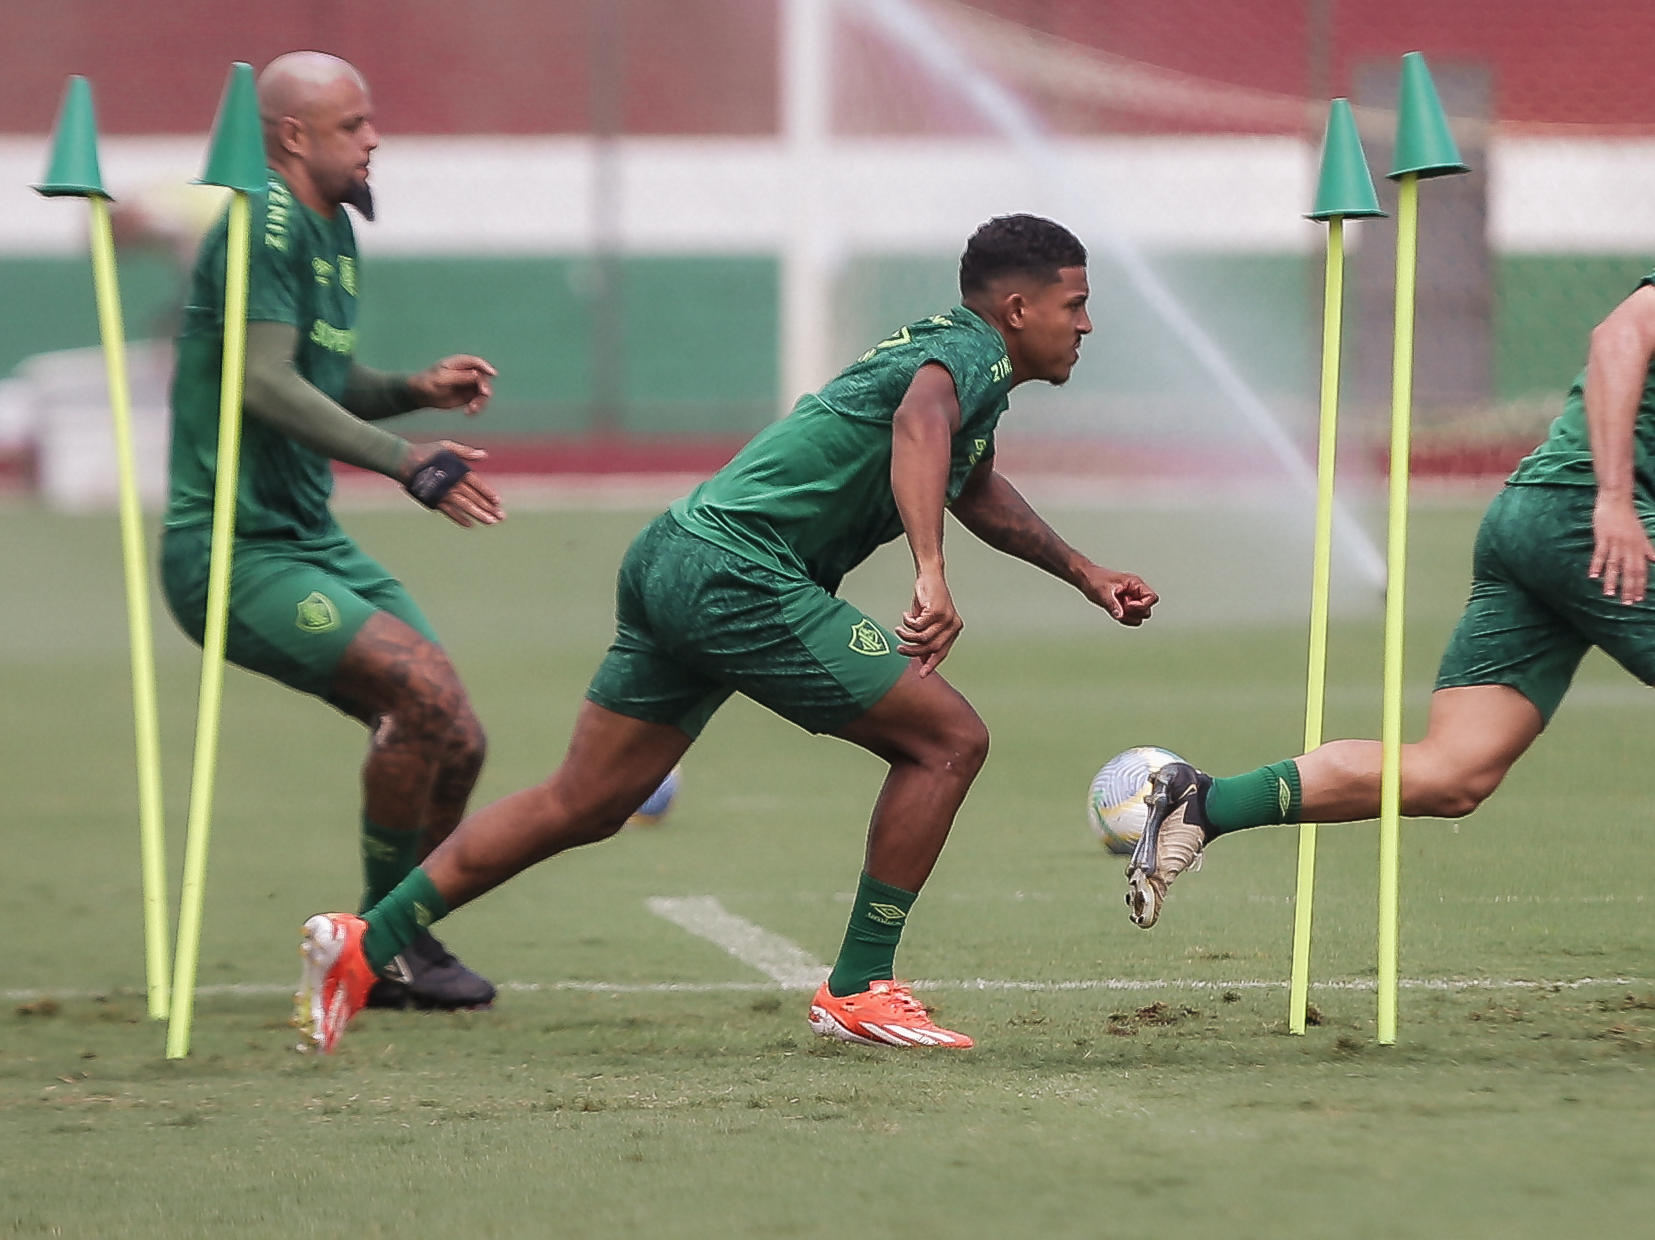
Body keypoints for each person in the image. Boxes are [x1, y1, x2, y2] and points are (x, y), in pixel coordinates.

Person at [1125, 75, 1655, 1025]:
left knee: (1451, 775)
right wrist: (1620, 502)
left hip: (1531, 516)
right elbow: (1616, 339)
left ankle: (1202, 802)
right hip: (1581, 513)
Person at [296, 214, 1159, 1055]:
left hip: (674, 552)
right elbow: (919, 425)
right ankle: (859, 986)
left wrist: (1084, 570)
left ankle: (365, 943)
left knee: (582, 801)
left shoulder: (966, 370)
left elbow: (972, 482)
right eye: (1074, 303)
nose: (1086, 324)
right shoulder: (969, 350)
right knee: (948, 739)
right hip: (737, 571)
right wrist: (929, 571)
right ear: (1016, 310)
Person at [160, 51, 507, 1013]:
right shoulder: (262, 221)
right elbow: (262, 382)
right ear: (292, 138)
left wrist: (408, 391)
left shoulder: (331, 232)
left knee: (459, 736)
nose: (374, 137)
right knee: (423, 691)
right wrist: (410, 461)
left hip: (305, 537)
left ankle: (388, 943)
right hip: (230, 550)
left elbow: (310, 373)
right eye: (354, 124)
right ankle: (386, 947)